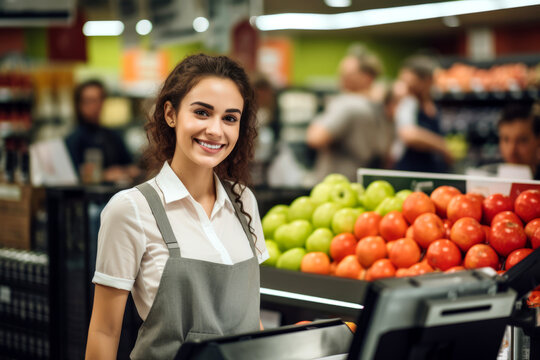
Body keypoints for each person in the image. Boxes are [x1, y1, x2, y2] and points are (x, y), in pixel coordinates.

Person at [85, 54, 269, 359]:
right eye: (202, 112)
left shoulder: (243, 200)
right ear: (171, 114)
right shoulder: (131, 209)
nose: (215, 130)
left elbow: (251, 320)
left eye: (230, 118)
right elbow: (104, 330)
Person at [306, 45, 389, 182]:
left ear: (367, 77)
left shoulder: (347, 103)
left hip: (334, 186)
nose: (341, 78)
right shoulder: (380, 106)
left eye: (348, 74)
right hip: (362, 184)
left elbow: (315, 137)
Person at [65, 79, 140, 184]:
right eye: (90, 101)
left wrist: (123, 171)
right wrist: (103, 175)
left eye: (99, 100)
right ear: (79, 104)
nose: (95, 106)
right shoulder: (73, 140)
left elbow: (134, 169)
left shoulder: (113, 136)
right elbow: (70, 177)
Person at [392, 55, 454, 173]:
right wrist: (442, 146)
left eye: (410, 82)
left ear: (427, 80)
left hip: (433, 169)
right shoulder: (408, 103)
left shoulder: (435, 104)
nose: (406, 87)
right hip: (410, 170)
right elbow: (409, 135)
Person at [497, 102, 540, 180]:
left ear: (538, 140)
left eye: (522, 140)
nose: (512, 150)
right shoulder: (488, 176)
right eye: (506, 140)